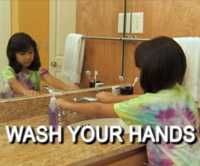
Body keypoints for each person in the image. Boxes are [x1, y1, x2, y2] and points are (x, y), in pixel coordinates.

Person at [57, 36, 200, 165]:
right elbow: (145, 100)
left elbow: (99, 110)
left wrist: (66, 104)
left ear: (151, 73)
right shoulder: (181, 93)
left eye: (140, 69)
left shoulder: (150, 104)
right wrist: (113, 98)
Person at [1, 32, 78, 97]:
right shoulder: (8, 71)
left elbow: (50, 79)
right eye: (22, 54)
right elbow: (13, 83)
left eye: (30, 52)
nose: (28, 57)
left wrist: (67, 87)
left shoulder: (37, 69)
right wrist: (25, 91)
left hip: (32, 106)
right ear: (13, 54)